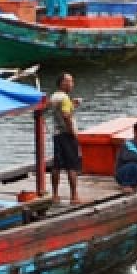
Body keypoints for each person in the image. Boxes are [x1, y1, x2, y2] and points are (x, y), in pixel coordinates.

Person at [47, 73, 83, 204]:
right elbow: (66, 115)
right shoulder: (65, 99)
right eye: (70, 81)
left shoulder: (54, 96)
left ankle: (55, 195)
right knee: (72, 166)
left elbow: (60, 110)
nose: (72, 84)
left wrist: (73, 104)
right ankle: (74, 196)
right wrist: (72, 131)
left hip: (57, 134)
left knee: (56, 165)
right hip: (66, 134)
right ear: (63, 83)